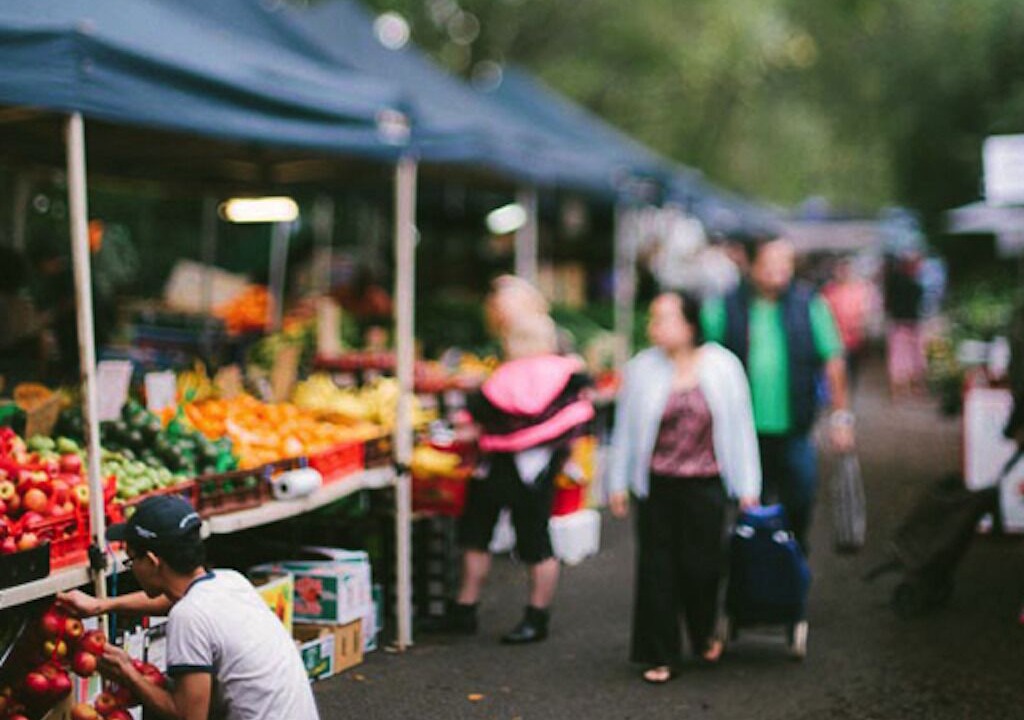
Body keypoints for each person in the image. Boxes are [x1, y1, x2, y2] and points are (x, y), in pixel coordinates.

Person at [607, 291, 761, 684]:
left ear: (690, 324)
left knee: (703, 567)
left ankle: (705, 630)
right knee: (656, 571)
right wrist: (617, 482)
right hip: (657, 485)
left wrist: (748, 484)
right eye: (654, 318)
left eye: (665, 318)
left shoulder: (722, 365)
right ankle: (661, 654)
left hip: (705, 486)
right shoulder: (642, 368)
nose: (655, 326)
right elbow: (625, 427)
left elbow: (741, 428)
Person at [56, 495, 319, 720]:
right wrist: (102, 605)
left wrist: (129, 675)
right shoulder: (230, 581)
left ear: (152, 560)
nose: (132, 567)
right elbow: (171, 600)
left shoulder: (189, 616)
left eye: (131, 559)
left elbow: (187, 717)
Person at [431, 310, 594, 644]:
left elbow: (475, 420)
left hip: (494, 464)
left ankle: (466, 607)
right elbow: (580, 418)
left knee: (476, 535)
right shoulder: (567, 375)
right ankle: (536, 616)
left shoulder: (502, 377)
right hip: (539, 467)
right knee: (536, 541)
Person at [702, 238, 854, 552]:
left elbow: (833, 359)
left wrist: (841, 417)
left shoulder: (808, 303)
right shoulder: (726, 305)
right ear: (751, 264)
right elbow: (705, 358)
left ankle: (790, 564)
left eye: (785, 263)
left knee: (800, 500)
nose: (779, 271)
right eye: (771, 263)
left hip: (795, 428)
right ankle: (749, 571)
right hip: (742, 433)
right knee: (745, 506)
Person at [821, 257, 874, 392]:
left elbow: (865, 313)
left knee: (851, 372)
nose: (843, 273)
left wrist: (861, 325)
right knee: (835, 372)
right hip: (834, 340)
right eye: (841, 270)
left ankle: (847, 400)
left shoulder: (859, 289)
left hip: (853, 340)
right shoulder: (829, 290)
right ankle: (837, 399)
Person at [883, 253, 926, 398]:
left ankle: (900, 389)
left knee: (899, 358)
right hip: (907, 323)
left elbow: (887, 304)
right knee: (913, 357)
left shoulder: (894, 282)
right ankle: (909, 388)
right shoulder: (913, 284)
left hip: (900, 322)